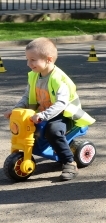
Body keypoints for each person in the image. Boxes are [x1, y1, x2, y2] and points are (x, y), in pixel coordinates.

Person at [3, 38, 95, 181]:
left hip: (65, 114)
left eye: (33, 60)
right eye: (27, 59)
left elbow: (61, 103)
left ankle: (69, 162)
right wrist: (16, 109)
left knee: (53, 131)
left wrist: (43, 115)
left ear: (48, 59)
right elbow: (27, 96)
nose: (28, 64)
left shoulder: (59, 79)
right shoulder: (34, 76)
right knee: (24, 126)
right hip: (44, 112)